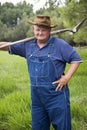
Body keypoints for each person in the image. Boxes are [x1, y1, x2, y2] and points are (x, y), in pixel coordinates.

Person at [0, 15, 82, 130]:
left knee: (63, 127)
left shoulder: (59, 44)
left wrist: (67, 77)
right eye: (37, 30)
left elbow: (76, 59)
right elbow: (7, 46)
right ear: (33, 29)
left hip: (56, 97)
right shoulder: (28, 45)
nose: (40, 33)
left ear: (49, 31)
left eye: (43, 30)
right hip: (37, 99)